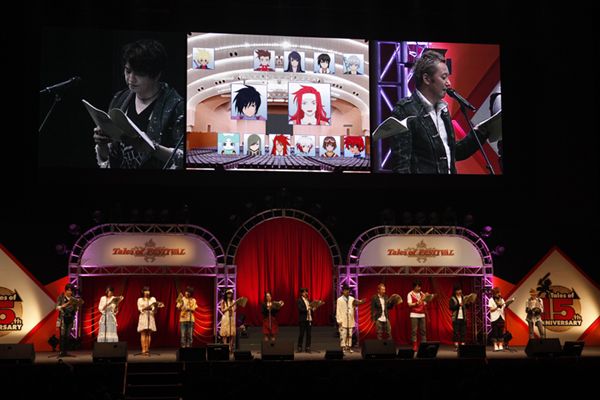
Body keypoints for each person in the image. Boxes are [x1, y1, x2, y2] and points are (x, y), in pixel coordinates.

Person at [388, 50, 489, 174]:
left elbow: (451, 152)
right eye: (444, 77)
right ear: (427, 79)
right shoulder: (404, 111)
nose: (448, 83)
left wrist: (479, 133)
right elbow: (401, 166)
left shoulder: (443, 110)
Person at [93, 39, 185, 169]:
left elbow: (184, 158)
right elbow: (110, 156)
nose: (131, 79)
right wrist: (102, 145)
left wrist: (152, 148)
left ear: (156, 75)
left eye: (139, 74)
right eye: (128, 71)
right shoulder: (120, 98)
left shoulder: (175, 105)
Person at [56, 283, 82, 356]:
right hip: (63, 318)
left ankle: (65, 351)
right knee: (62, 335)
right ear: (66, 290)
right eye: (68, 290)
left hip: (70, 318)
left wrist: (77, 306)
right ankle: (61, 351)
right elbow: (57, 307)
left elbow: (76, 309)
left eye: (71, 291)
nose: (70, 292)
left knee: (67, 336)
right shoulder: (61, 297)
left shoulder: (73, 298)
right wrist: (68, 303)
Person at [336, 284, 360, 352]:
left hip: (350, 318)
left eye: (348, 290)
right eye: (346, 290)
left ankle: (349, 346)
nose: (347, 291)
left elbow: (354, 308)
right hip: (343, 319)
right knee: (343, 334)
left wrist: (357, 304)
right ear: (343, 291)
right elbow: (338, 310)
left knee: (350, 334)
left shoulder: (352, 299)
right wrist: (339, 320)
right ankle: (343, 347)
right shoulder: (339, 299)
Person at [137, 286, 159, 355]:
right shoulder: (140, 299)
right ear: (143, 292)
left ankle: (147, 349)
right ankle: (143, 349)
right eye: (145, 291)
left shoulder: (152, 299)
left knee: (149, 333)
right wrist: (146, 308)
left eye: (148, 291)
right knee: (143, 333)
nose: (147, 292)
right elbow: (139, 308)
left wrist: (156, 307)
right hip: (143, 316)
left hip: (150, 316)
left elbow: (154, 310)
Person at [407, 280, 428, 352]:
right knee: (414, 331)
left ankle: (424, 345)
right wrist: (416, 303)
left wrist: (427, 297)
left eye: (420, 286)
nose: (419, 288)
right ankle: (415, 345)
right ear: (414, 287)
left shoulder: (422, 294)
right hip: (414, 314)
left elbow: (425, 303)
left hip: (422, 314)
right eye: (418, 287)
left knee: (423, 331)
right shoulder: (410, 294)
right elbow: (409, 304)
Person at [449, 285, 467, 350]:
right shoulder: (452, 298)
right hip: (456, 318)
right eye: (458, 290)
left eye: (460, 290)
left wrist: (469, 302)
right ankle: (456, 346)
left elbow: (467, 307)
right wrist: (458, 305)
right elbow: (451, 308)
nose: (459, 291)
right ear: (455, 291)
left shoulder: (463, 297)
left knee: (463, 332)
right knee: (456, 332)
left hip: (463, 317)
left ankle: (462, 346)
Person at [489, 287, 507, 351]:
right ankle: (495, 345)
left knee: (501, 332)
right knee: (495, 332)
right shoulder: (491, 300)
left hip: (501, 317)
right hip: (494, 318)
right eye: (498, 293)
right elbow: (491, 309)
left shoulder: (501, 299)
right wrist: (497, 307)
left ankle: (500, 344)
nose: (499, 294)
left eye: (499, 292)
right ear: (494, 293)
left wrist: (506, 305)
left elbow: (504, 306)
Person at [297, 288, 313, 353]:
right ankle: (299, 347)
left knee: (309, 334)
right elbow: (300, 309)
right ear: (301, 293)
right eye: (304, 292)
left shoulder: (308, 300)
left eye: (306, 292)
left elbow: (310, 308)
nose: (306, 293)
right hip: (303, 319)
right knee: (302, 334)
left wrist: (313, 308)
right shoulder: (299, 300)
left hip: (309, 319)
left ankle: (307, 347)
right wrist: (307, 309)